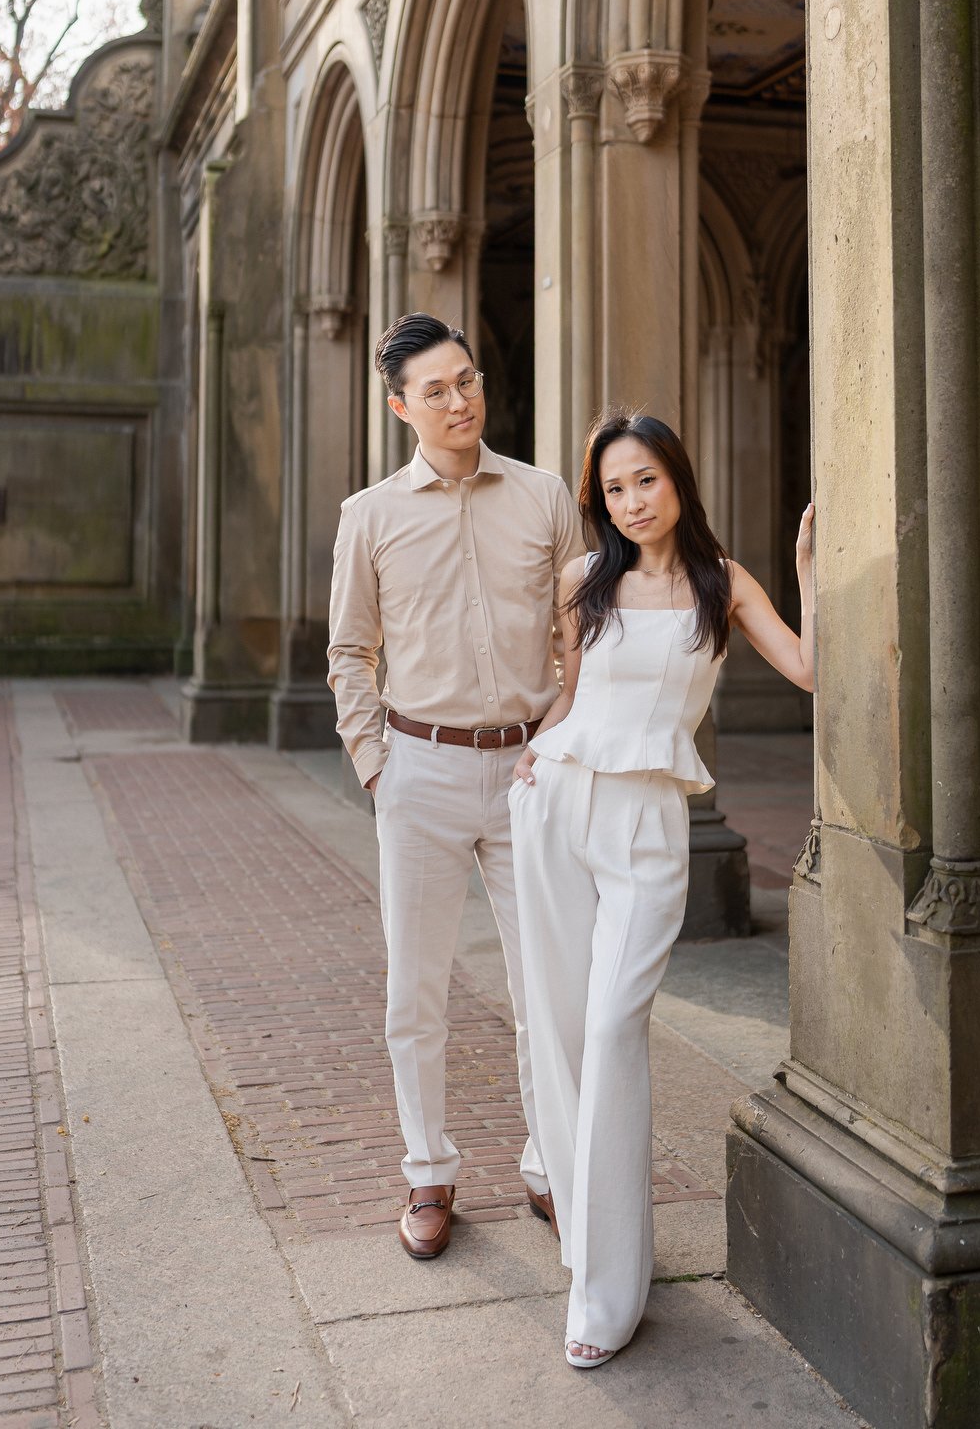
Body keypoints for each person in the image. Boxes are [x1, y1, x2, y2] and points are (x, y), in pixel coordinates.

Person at [509, 408, 814, 1367]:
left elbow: (811, 670)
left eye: (645, 480)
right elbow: (570, 692)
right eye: (612, 489)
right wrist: (534, 749)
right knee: (553, 1029)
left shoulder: (722, 587)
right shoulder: (581, 581)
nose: (631, 502)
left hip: (648, 824)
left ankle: (608, 1297)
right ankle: (590, 1251)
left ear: (677, 478)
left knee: (609, 1032)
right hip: (556, 803)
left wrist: (810, 580)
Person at [327, 313, 584, 1259]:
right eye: (434, 389)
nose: (458, 400)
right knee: (416, 992)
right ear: (401, 406)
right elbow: (349, 652)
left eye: (467, 380)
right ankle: (427, 1174)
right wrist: (377, 768)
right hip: (420, 769)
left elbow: (578, 636)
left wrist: (561, 732)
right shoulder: (372, 517)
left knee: (548, 986)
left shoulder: (546, 496)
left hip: (529, 770)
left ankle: (550, 1165)